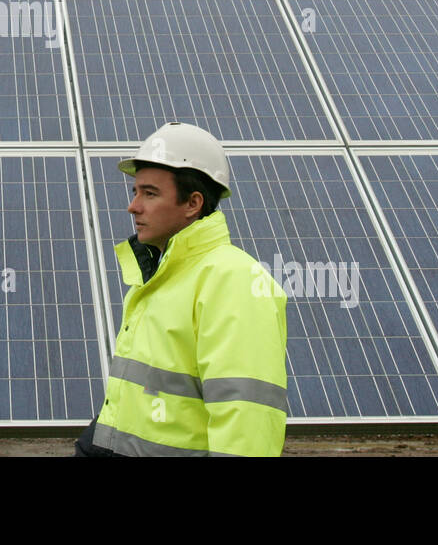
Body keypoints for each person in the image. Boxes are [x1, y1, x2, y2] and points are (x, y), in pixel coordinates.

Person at [74, 121, 288, 456]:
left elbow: (247, 420)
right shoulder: (159, 276)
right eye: (136, 192)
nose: (134, 206)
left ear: (193, 203)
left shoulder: (234, 281)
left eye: (150, 193)